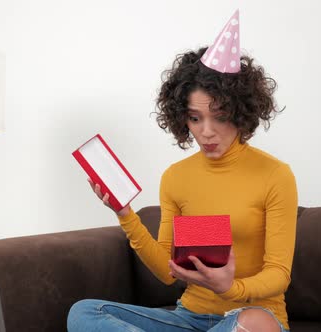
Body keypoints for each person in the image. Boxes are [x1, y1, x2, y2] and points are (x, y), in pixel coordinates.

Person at [68, 9, 297, 332]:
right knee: (84, 312)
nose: (205, 131)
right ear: (181, 117)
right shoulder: (177, 177)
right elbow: (167, 271)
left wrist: (230, 289)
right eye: (194, 118)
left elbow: (278, 274)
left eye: (219, 116)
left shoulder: (274, 175)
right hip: (188, 318)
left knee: (253, 324)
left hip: (251, 318)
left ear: (241, 112)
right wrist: (125, 214)